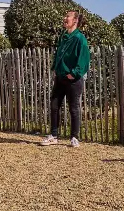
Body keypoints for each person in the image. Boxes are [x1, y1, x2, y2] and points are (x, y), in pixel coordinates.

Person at [38, 10, 90, 147]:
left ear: (75, 21)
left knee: (74, 108)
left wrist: (74, 73)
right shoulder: (63, 36)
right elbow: (58, 54)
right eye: (65, 16)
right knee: (54, 105)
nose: (65, 18)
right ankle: (53, 136)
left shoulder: (79, 38)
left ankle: (74, 137)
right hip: (60, 76)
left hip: (73, 79)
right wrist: (55, 67)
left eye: (68, 16)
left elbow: (84, 59)